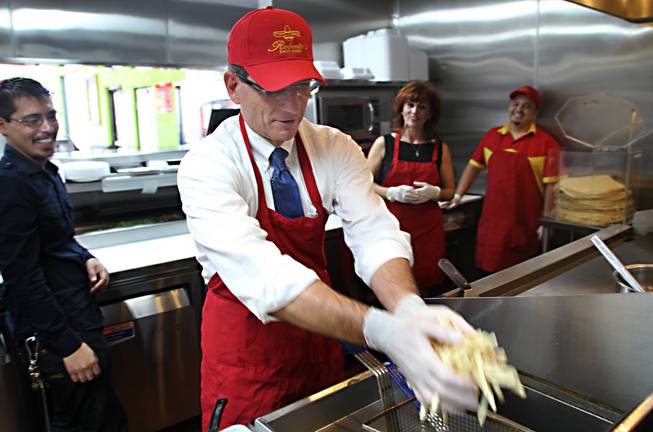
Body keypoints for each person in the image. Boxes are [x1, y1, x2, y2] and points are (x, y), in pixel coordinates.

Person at [177, 6, 479, 430]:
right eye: (272, 89)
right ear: (233, 86)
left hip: (319, 342)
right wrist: (382, 330)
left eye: (303, 87)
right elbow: (266, 278)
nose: (292, 106)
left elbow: (374, 233)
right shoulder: (208, 164)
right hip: (247, 357)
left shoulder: (333, 147)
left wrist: (408, 308)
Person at [0, 77, 127, 431]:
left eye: (50, 116)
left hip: (77, 314)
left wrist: (84, 255)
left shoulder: (44, 172)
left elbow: (56, 240)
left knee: (105, 419)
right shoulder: (10, 185)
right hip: (57, 335)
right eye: (32, 120)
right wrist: (69, 346)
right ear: (3, 125)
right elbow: (22, 277)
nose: (47, 128)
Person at [448, 86, 561, 273]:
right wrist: (458, 195)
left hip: (524, 223)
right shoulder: (492, 136)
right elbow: (473, 166)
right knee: (486, 275)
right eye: (515, 104)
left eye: (526, 106)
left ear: (535, 112)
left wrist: (546, 220)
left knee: (520, 275)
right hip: (492, 222)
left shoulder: (547, 143)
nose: (519, 109)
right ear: (509, 107)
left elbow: (552, 186)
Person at [367, 81, 455, 295]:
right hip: (391, 228)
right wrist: (389, 192)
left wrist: (434, 192)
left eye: (422, 107)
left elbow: (450, 191)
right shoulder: (384, 143)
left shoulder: (439, 149)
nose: (415, 111)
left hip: (429, 231)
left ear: (430, 113)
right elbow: (363, 183)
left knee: (428, 287)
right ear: (401, 108)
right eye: (410, 105)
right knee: (395, 286)